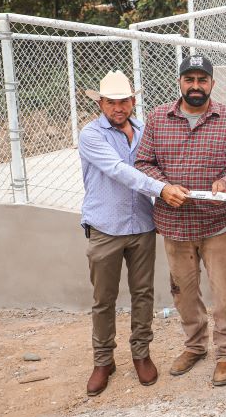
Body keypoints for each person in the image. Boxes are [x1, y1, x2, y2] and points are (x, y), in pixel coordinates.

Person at [135, 55, 226, 387]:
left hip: (217, 224)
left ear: (212, 83)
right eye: (189, 80)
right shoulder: (158, 118)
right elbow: (144, 163)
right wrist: (164, 187)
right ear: (180, 82)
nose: (195, 86)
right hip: (175, 225)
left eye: (202, 80)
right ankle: (195, 346)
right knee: (183, 292)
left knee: (224, 293)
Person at [78, 71, 188, 396]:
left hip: (142, 225)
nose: (118, 108)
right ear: (100, 103)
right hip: (105, 228)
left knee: (143, 293)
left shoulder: (143, 131)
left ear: (133, 101)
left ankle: (141, 353)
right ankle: (103, 361)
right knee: (104, 298)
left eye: (124, 101)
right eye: (111, 102)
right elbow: (118, 170)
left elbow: (160, 163)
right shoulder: (91, 135)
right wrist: (162, 188)